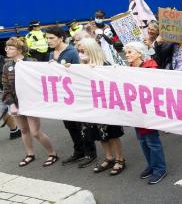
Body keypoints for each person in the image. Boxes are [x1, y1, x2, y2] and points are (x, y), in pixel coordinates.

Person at [45, 26, 98, 166]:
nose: (48, 41)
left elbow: (81, 71)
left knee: (82, 124)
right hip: (62, 96)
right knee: (70, 125)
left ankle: (90, 152)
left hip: (77, 95)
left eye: (51, 38)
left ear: (61, 38)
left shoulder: (72, 52)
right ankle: (78, 151)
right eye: (47, 38)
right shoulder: (51, 54)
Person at [77, 38, 128, 175]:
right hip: (92, 105)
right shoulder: (81, 66)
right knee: (99, 134)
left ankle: (119, 159)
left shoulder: (104, 64)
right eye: (79, 51)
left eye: (83, 50)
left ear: (91, 49)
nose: (80, 53)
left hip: (106, 105)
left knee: (111, 133)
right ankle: (109, 157)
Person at [2, 37, 57, 167]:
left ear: (19, 50)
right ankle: (30, 154)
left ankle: (52, 153)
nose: (7, 50)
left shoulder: (31, 62)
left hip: (31, 102)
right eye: (6, 47)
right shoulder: (7, 66)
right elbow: (6, 87)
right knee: (24, 130)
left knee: (35, 132)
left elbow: (42, 81)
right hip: (16, 103)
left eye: (10, 48)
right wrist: (11, 104)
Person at [124, 41, 168, 183]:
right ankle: (151, 165)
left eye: (130, 52)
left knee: (152, 141)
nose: (127, 54)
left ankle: (160, 169)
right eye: (126, 52)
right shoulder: (128, 69)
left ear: (139, 53)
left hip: (148, 111)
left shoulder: (151, 68)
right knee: (142, 141)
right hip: (136, 111)